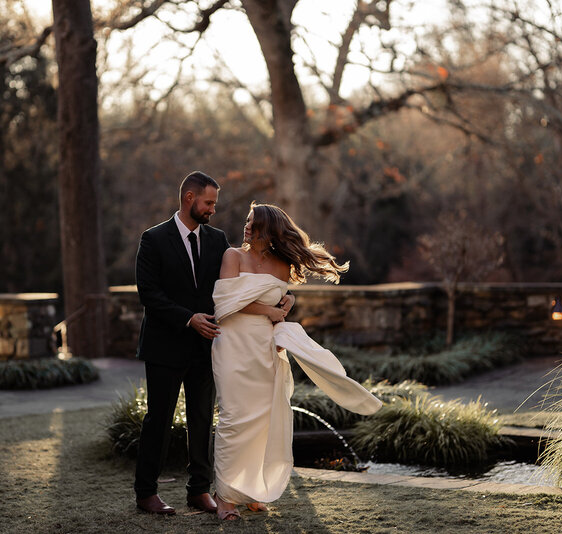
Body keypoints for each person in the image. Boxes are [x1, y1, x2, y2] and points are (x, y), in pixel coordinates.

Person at [132, 172, 294, 515]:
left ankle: (199, 490)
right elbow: (149, 293)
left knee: (203, 419)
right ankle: (147, 492)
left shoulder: (218, 239)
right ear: (189, 198)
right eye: (209, 203)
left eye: (214, 204)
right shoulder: (154, 239)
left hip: (210, 346)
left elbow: (243, 286)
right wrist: (188, 318)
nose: (213, 210)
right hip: (165, 344)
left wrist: (285, 298)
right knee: (158, 419)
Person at [211, 203, 383, 520]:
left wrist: (287, 300)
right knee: (234, 419)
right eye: (246, 221)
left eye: (253, 222)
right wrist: (271, 311)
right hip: (233, 344)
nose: (246, 226)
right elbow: (225, 303)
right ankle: (224, 497)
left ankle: (249, 490)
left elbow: (278, 298)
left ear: (268, 229)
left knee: (263, 420)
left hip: (265, 347)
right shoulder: (233, 256)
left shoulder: (280, 264)